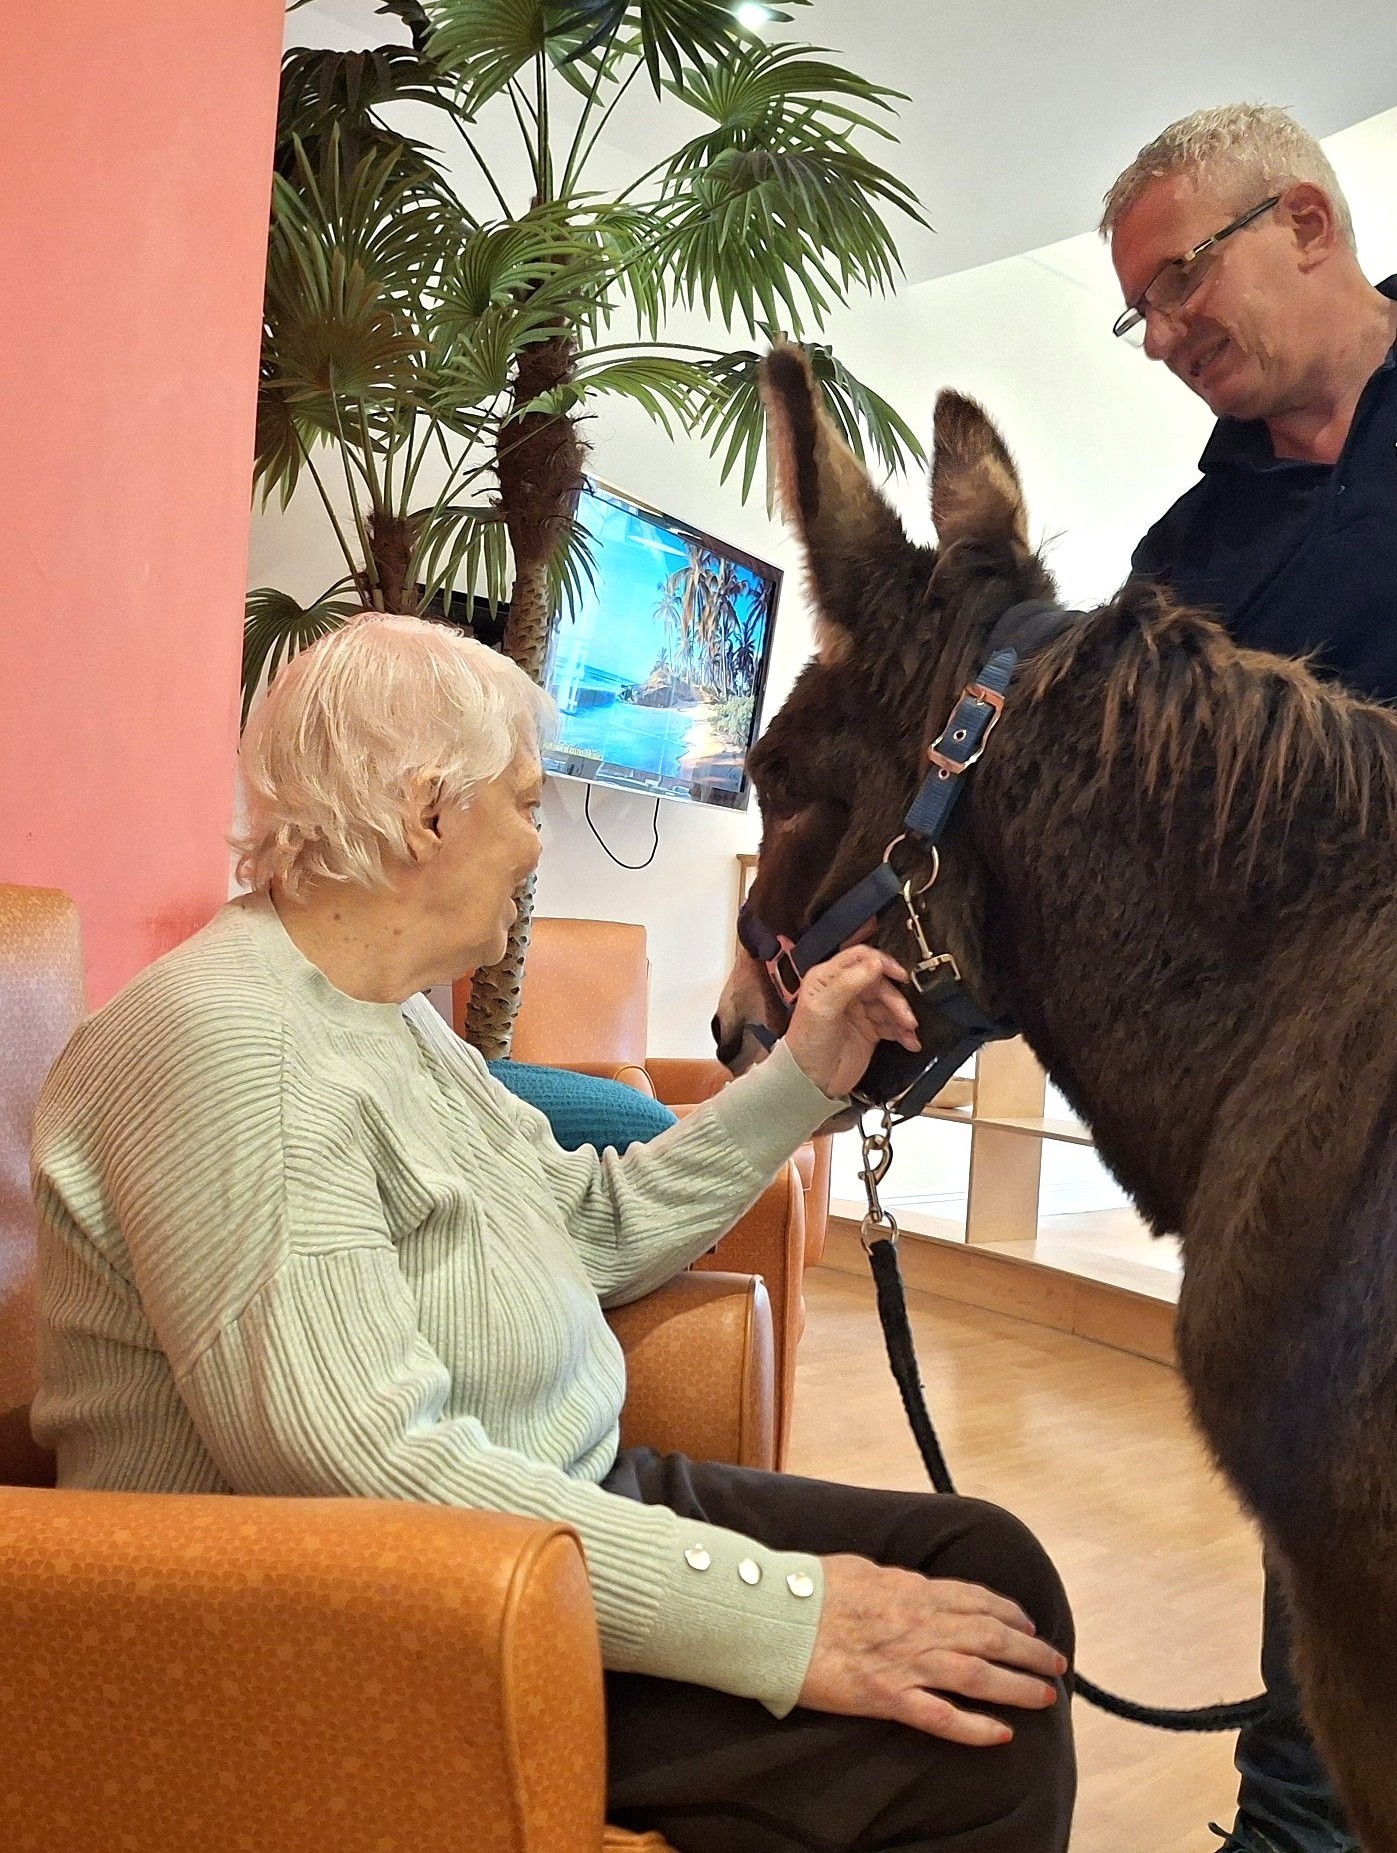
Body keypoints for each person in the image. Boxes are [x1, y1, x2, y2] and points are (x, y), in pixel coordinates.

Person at [30, 615, 1076, 1853]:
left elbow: (592, 1221)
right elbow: (366, 1467)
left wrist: (805, 1075)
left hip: (543, 1516)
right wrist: (793, 1617)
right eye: (526, 804)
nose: (538, 843)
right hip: (366, 1624)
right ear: (428, 812)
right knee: (963, 1733)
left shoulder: (386, 1017)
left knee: (985, 1564)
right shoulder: (233, 1051)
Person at [1100, 102, 1397, 1852]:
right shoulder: (1182, 568)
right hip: (1361, 1141)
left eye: (1178, 281)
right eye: (1139, 313)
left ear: (1301, 220)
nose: (1163, 333)